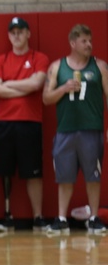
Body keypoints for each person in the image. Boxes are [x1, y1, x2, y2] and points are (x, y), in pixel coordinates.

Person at [42, 24, 108, 235]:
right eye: (84, 41)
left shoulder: (100, 66)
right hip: (66, 130)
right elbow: (46, 98)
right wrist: (63, 88)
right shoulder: (56, 67)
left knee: (93, 175)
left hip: (92, 128)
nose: (89, 45)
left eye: (90, 41)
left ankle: (94, 218)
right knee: (64, 176)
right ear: (73, 43)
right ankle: (61, 219)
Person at [0, 17, 50, 232]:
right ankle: (7, 215)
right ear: (8, 35)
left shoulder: (39, 58)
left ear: (28, 34)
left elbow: (36, 84)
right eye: (13, 32)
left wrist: (9, 84)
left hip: (30, 123)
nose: (17, 35)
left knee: (33, 172)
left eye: (21, 31)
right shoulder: (0, 60)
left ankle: (38, 217)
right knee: (5, 170)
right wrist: (24, 87)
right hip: (4, 122)